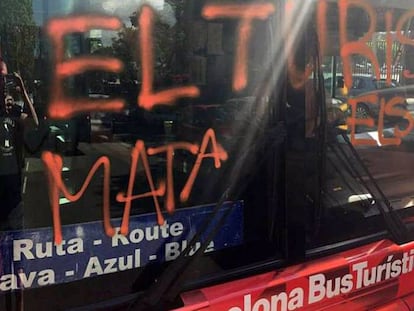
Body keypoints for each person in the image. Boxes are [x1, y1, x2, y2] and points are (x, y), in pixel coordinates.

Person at [0, 72, 38, 229]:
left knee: (16, 240)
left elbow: (34, 122)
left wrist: (22, 91)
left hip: (14, 194)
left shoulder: (15, 113)